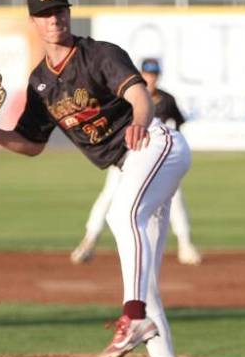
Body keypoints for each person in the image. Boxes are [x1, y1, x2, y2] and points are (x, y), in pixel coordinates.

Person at [0, 0, 191, 357]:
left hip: (156, 146)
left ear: (68, 14)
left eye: (60, 10)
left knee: (119, 213)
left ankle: (132, 316)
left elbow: (138, 97)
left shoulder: (99, 54)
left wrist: (138, 120)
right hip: (128, 165)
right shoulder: (41, 84)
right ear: (34, 21)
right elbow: (30, 143)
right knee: (144, 277)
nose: (54, 18)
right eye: (45, 13)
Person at [70, 57, 202, 266]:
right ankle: (89, 242)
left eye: (154, 74)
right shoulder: (130, 97)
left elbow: (178, 125)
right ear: (141, 75)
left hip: (159, 160)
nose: (151, 78)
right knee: (109, 196)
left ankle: (185, 245)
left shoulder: (166, 100)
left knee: (175, 197)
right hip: (128, 158)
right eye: (148, 74)